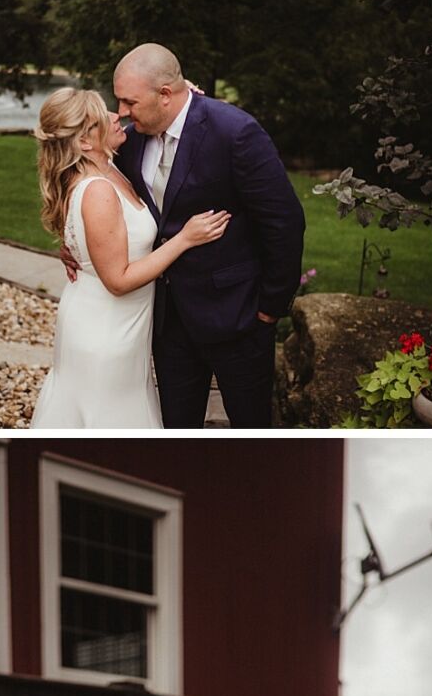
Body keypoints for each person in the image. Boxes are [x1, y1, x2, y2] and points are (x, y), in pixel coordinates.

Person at [100, 43, 305, 428]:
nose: (122, 111)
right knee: (178, 431)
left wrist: (270, 308)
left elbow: (284, 221)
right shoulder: (133, 140)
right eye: (120, 101)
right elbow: (91, 182)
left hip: (238, 317)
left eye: (130, 101)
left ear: (165, 95)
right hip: (169, 322)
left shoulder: (235, 132)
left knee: (252, 429)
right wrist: (73, 241)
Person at [30, 85, 228, 428]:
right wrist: (185, 239)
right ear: (84, 142)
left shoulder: (109, 167)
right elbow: (118, 280)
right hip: (105, 332)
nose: (116, 115)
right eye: (102, 116)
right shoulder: (98, 190)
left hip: (118, 323)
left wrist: (178, 95)